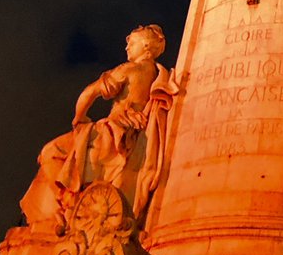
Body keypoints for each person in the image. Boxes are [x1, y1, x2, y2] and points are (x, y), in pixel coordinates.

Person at [20, 25, 175, 231]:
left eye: (132, 42)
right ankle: (66, 210)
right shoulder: (157, 74)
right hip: (132, 135)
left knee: (50, 152)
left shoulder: (128, 69)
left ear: (146, 46)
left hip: (110, 133)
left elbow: (89, 93)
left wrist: (79, 117)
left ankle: (69, 201)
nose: (127, 46)